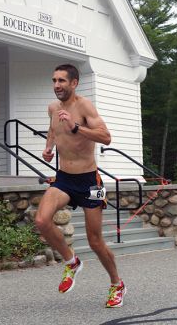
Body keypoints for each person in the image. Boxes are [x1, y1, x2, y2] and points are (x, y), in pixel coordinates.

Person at [35, 64, 126, 308]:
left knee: (95, 241)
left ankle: (117, 283)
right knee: (42, 221)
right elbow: (53, 129)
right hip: (64, 178)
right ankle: (71, 262)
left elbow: (106, 137)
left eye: (62, 81)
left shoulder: (84, 106)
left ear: (74, 83)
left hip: (90, 181)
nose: (56, 85)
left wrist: (77, 127)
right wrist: (49, 148)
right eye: (54, 80)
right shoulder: (53, 108)